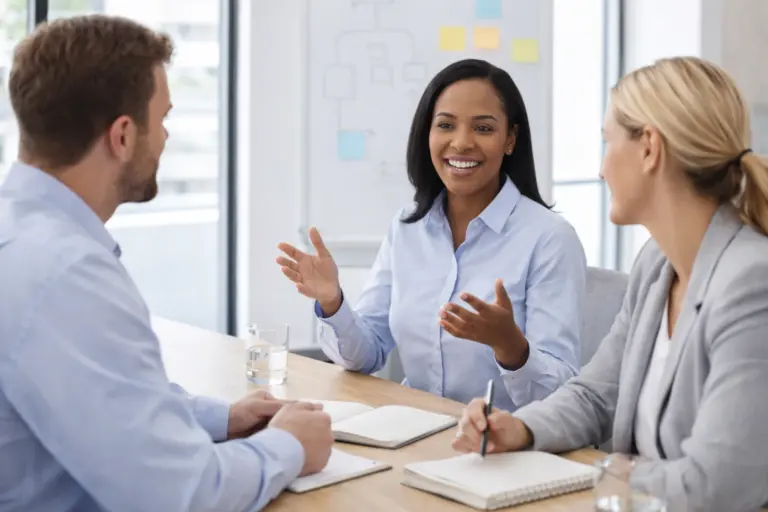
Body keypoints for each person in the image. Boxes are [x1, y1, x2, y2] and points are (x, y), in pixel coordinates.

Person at [0, 15, 333, 512]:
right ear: (123, 136)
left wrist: (224, 418)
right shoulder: (65, 274)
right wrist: (288, 444)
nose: (166, 137)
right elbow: (183, 495)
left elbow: (104, 402)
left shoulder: (23, 234)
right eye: (162, 119)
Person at [453, 56, 768, 511]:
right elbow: (595, 396)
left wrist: (609, 475)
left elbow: (718, 483)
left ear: (649, 149)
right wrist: (520, 429)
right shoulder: (657, 265)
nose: (601, 170)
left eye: (607, 143)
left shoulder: (750, 284)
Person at [277, 59, 586, 412]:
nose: (462, 143)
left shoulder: (550, 239)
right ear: (428, 134)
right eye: (446, 125)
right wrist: (333, 302)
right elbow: (367, 355)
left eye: (483, 129)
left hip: (505, 448)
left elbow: (561, 397)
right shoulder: (407, 227)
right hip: (415, 433)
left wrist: (511, 347)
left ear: (510, 139)